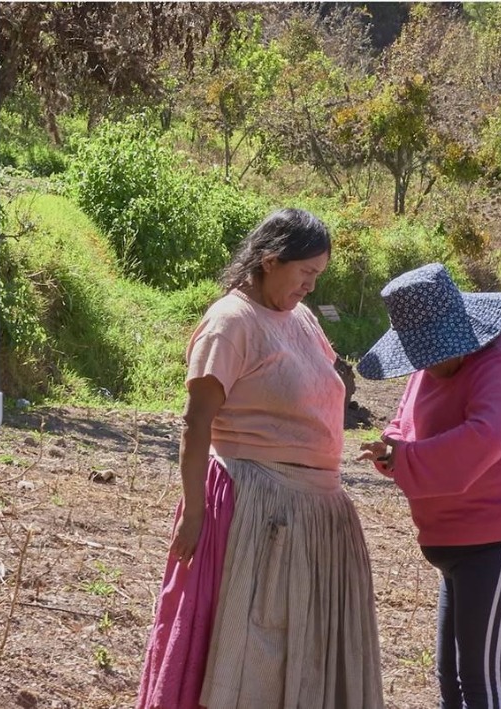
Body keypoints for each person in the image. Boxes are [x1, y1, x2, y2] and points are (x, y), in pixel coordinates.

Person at [135, 208, 384, 709]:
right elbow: (196, 423)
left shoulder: (301, 318)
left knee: (302, 651)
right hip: (257, 510)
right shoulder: (230, 323)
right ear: (271, 260)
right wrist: (194, 513)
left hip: (314, 512)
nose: (311, 286)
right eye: (306, 274)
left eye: (318, 276)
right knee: (253, 651)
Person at [355, 262, 501, 709]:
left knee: (483, 686)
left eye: (432, 351)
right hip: (461, 544)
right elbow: (404, 423)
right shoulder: (428, 366)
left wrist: (404, 458)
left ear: (462, 332)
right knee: (453, 680)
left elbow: (480, 441)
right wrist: (390, 448)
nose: (426, 363)